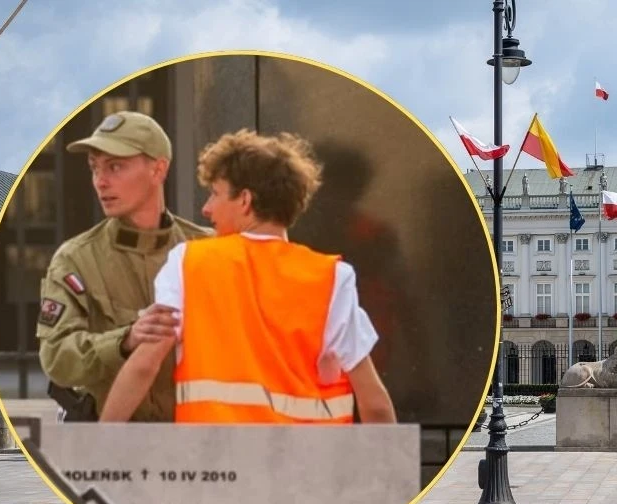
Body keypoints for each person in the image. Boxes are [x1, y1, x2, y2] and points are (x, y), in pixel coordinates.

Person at [97, 129, 396, 424]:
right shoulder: (330, 277)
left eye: (215, 194)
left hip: (214, 465)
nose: (206, 208)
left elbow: (144, 365)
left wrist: (98, 444)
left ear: (245, 200)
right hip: (308, 467)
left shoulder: (189, 262)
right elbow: (376, 404)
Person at [37, 110, 212, 422]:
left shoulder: (208, 249)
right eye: (94, 168)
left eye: (115, 167)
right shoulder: (75, 258)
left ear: (158, 169)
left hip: (200, 444)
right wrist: (125, 340)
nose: (100, 181)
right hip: (116, 447)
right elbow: (57, 358)